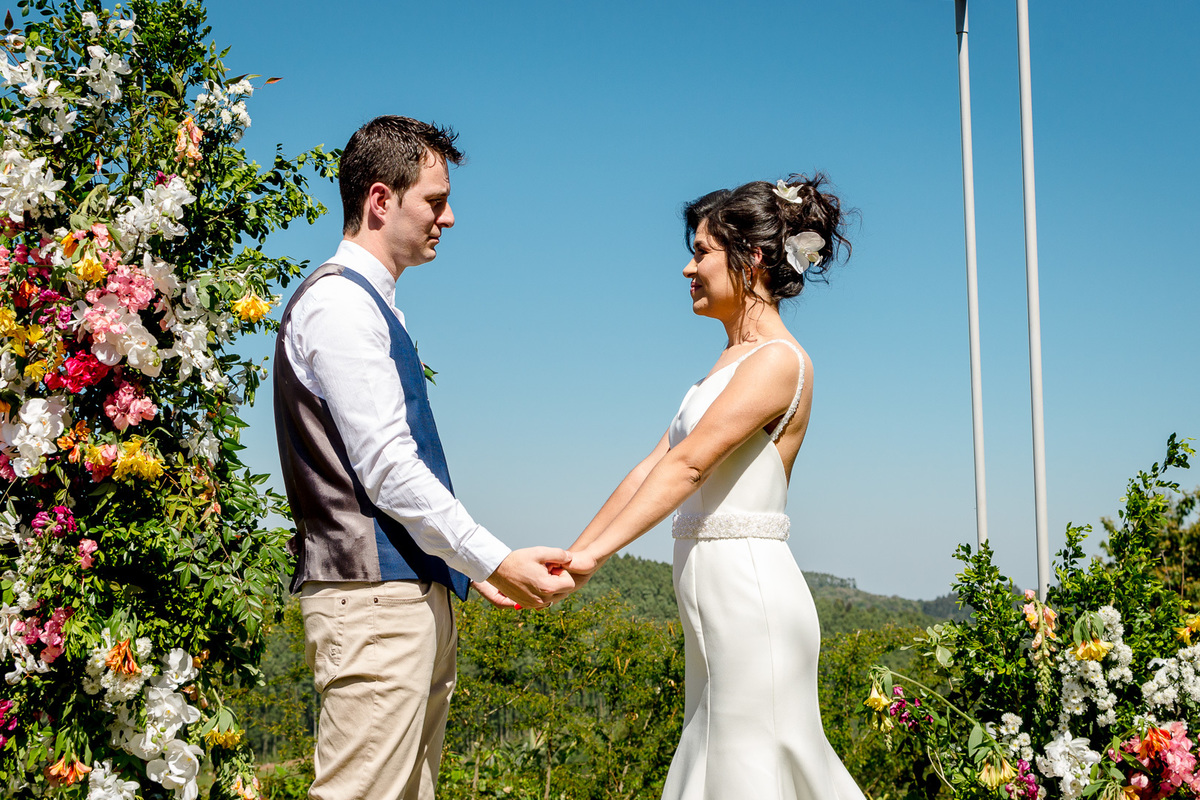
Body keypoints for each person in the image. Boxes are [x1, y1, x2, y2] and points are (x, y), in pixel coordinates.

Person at [272, 115, 576, 800]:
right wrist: (492, 556)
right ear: (381, 200)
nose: (450, 217)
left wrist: (461, 566)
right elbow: (387, 470)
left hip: (403, 594)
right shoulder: (340, 308)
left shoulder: (376, 308)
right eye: (435, 201)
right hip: (371, 599)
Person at [566, 175, 866, 799]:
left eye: (700, 250)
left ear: (752, 257)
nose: (687, 268)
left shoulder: (780, 362)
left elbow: (689, 468)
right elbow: (651, 466)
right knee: (716, 760)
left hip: (751, 600)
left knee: (751, 764)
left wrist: (595, 558)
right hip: (713, 604)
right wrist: (574, 557)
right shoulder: (727, 362)